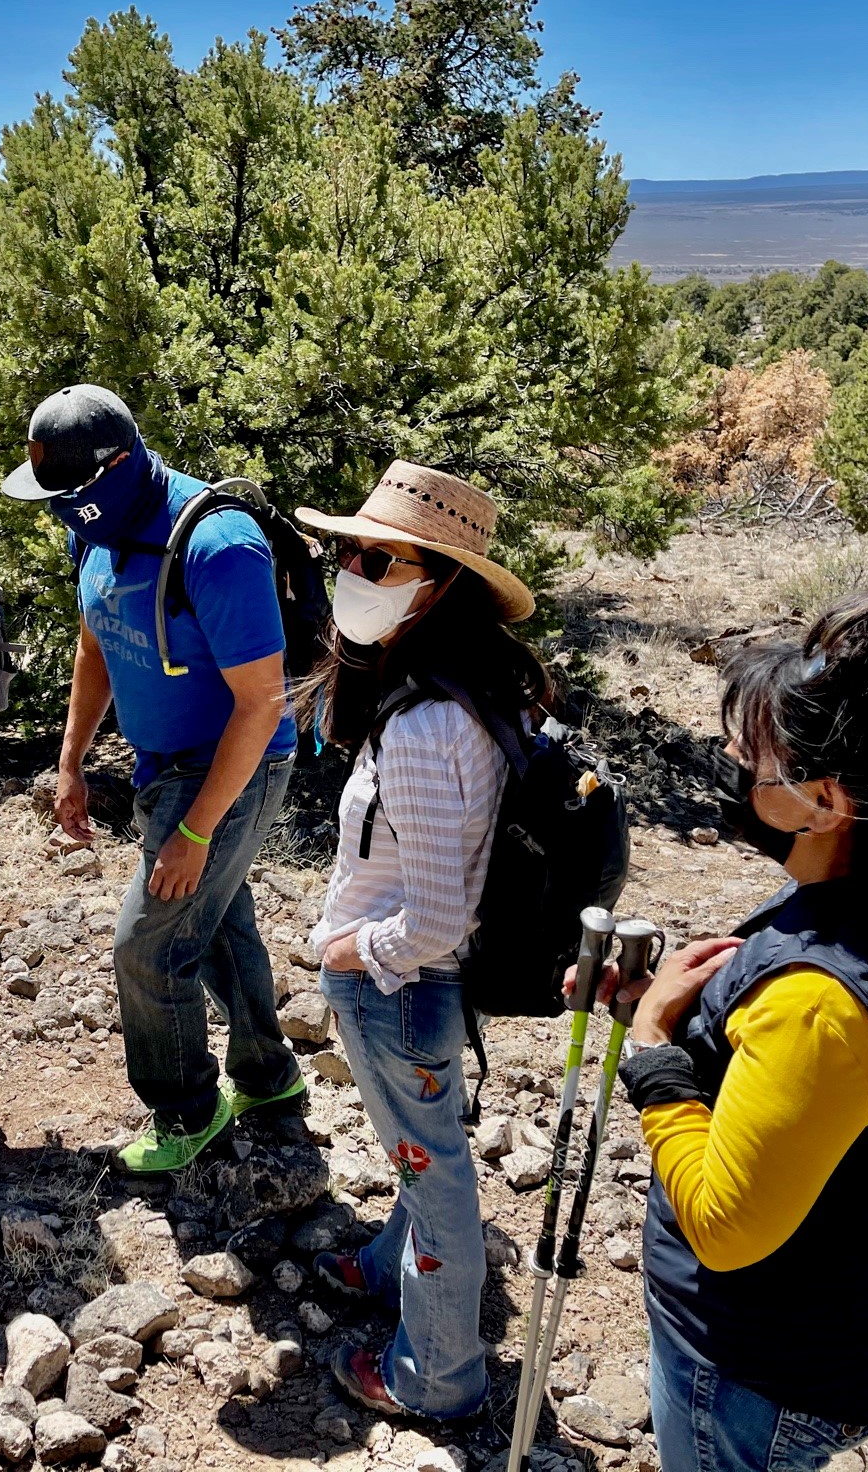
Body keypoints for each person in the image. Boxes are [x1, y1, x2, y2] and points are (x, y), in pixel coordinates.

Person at [592, 581, 868, 1472]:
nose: (730, 758)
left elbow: (724, 1226)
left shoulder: (819, 1004)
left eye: (753, 754)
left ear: (828, 799)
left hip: (763, 1365)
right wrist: (662, 1009)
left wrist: (653, 1057)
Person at [293, 461, 542, 1422]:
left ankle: (437, 1378)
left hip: (400, 984)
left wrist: (347, 954)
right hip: (425, 984)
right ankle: (390, 1266)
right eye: (348, 551)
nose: (352, 569)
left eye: (378, 558)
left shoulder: (428, 721)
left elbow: (437, 915)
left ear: (439, 587)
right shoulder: (468, 692)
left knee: (435, 1178)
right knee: (420, 1150)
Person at [2, 384, 303, 1173]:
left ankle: (185, 1113)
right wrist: (69, 763)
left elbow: (261, 702)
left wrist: (196, 831)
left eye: (76, 493)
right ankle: (268, 1081)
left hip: (232, 767)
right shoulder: (97, 532)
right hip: (160, 765)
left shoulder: (217, 545)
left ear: (124, 462)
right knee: (218, 929)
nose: (65, 510)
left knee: (147, 945)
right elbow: (95, 647)